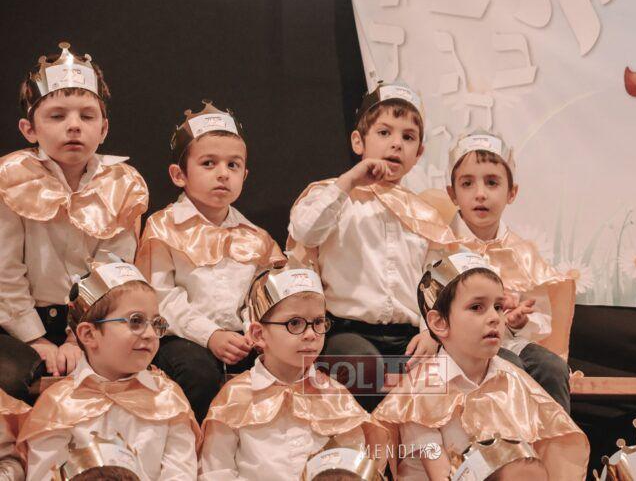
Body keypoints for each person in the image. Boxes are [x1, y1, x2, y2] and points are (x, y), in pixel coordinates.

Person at [287, 82, 457, 409]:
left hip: (408, 337)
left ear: (419, 153)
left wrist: (430, 333)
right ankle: (365, 440)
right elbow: (306, 233)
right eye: (384, 132)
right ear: (358, 141)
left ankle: (416, 442)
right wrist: (350, 181)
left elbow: (435, 281)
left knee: (451, 372)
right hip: (345, 334)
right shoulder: (333, 195)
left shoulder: (425, 215)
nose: (396, 143)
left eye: (408, 137)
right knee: (362, 365)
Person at [0, 42, 148, 402]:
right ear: (29, 128)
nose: (74, 126)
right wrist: (36, 338)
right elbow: (5, 271)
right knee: (15, 376)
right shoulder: (11, 180)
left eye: (87, 116)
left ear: (104, 128)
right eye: (57, 116)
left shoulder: (121, 185)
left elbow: (113, 269)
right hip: (15, 319)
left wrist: (77, 336)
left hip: (92, 321)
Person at [373, 251, 589, 480]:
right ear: (439, 322)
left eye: (498, 307)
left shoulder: (515, 382)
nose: (495, 318)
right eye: (477, 307)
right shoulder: (419, 393)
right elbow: (441, 475)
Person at [136, 100, 285, 421]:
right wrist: (210, 335)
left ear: (245, 174)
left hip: (240, 338)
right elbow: (160, 298)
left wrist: (252, 331)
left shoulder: (256, 237)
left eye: (233, 165)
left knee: (278, 367)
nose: (222, 174)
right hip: (181, 337)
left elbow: (259, 297)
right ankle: (191, 442)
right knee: (197, 372)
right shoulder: (163, 227)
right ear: (179, 174)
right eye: (208, 163)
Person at [199, 264, 387, 480]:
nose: (310, 334)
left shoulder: (335, 396)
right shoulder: (234, 398)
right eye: (295, 323)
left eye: (318, 322)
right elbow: (217, 471)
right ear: (259, 334)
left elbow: (352, 467)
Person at [17, 259, 199, 480]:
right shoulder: (59, 404)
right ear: (89, 334)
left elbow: (181, 472)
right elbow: (44, 475)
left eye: (157, 323)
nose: (151, 334)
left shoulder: (168, 399)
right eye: (136, 321)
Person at [445, 130, 574, 411]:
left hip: (509, 343)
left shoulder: (522, 253)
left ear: (511, 193)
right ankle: (507, 439)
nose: (480, 194)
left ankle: (558, 438)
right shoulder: (442, 246)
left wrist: (517, 323)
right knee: (508, 366)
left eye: (492, 183)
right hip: (459, 349)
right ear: (452, 194)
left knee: (552, 368)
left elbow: (538, 317)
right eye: (467, 183)